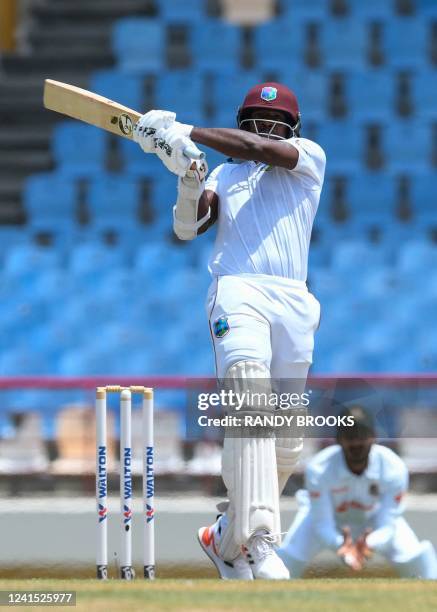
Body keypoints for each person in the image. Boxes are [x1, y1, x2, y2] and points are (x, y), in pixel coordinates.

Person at [133, 82, 326, 579]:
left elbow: (260, 150)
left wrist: (184, 130)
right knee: (250, 397)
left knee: (285, 440)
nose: (264, 129)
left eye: (274, 121)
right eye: (256, 119)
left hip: (294, 298)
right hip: (237, 289)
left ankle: (223, 539)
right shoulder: (226, 171)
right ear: (242, 121)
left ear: (291, 128)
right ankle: (260, 539)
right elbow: (187, 228)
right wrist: (190, 177)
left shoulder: (307, 156)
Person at [278, 406, 437, 579]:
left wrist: (368, 543)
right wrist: (341, 544)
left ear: (373, 438)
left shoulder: (393, 467)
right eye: (350, 437)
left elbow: (388, 524)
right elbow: (322, 523)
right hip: (328, 521)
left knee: (417, 560)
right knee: (288, 559)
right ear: (339, 440)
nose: (356, 443)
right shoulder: (319, 468)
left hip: (374, 522)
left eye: (362, 436)